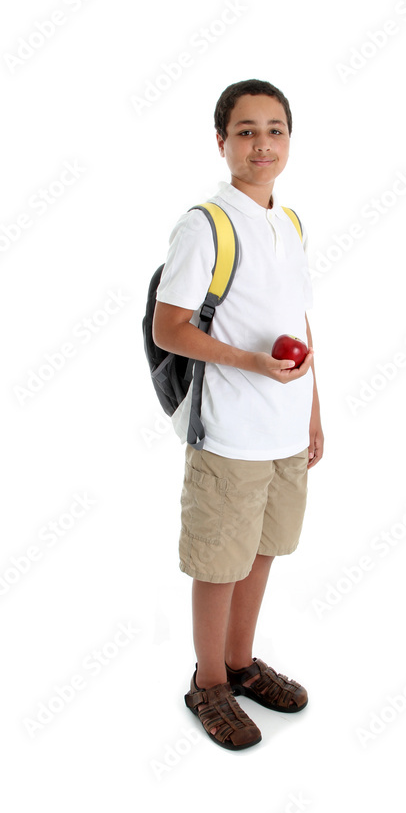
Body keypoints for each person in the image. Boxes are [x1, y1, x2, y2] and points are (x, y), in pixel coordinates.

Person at [152, 79, 324, 750]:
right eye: (246, 131)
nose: (262, 143)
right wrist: (250, 365)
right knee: (218, 562)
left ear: (288, 140)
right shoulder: (207, 224)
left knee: (261, 552)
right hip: (227, 431)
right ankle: (210, 682)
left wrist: (312, 412)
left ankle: (243, 664)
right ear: (221, 142)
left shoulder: (289, 222)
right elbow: (171, 328)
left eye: (275, 129)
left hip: (283, 430)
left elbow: (298, 321)